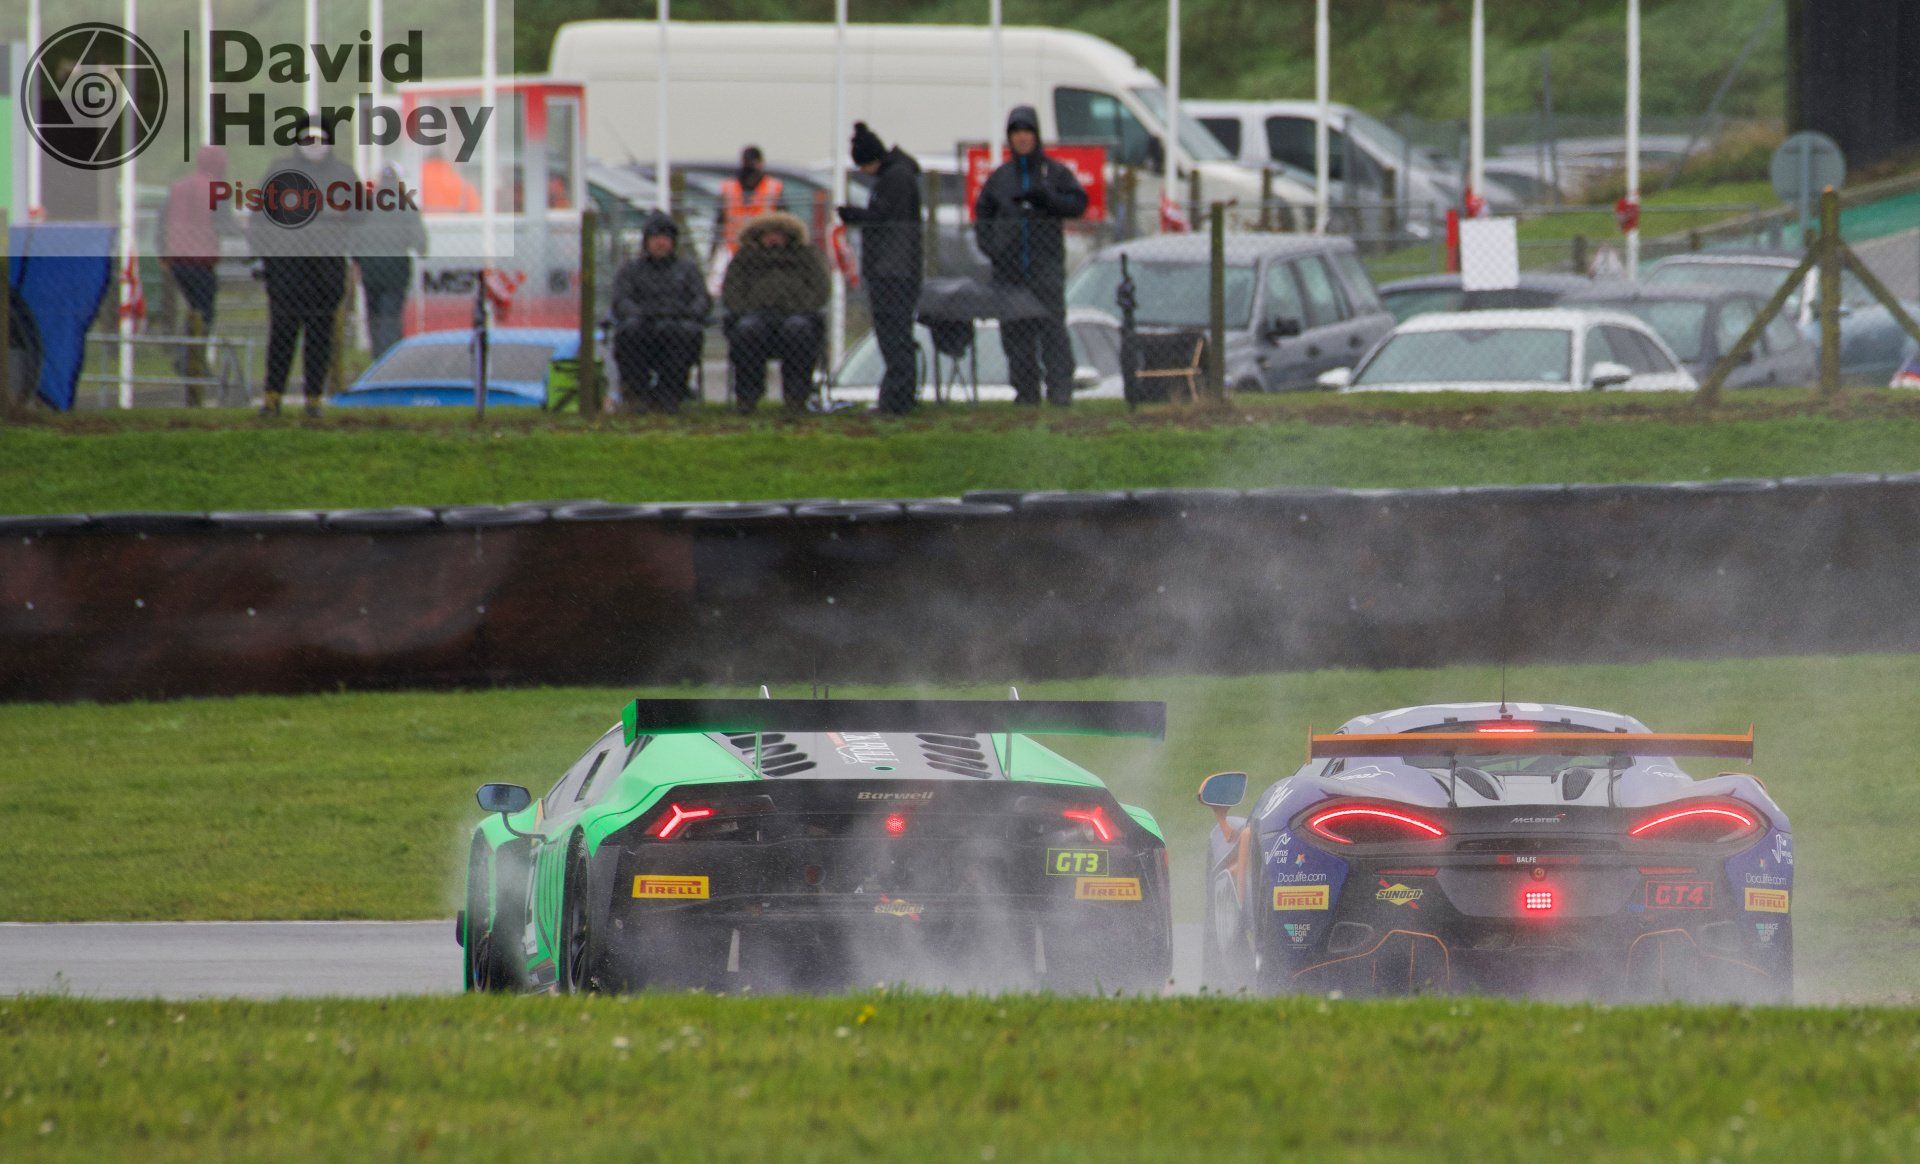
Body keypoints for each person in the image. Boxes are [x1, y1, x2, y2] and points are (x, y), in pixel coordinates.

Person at [973, 105, 1089, 406]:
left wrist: (1048, 199)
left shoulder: (1054, 172)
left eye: (1027, 132)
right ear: (1009, 138)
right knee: (1016, 337)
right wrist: (993, 248)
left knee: (1053, 333)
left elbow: (1078, 203)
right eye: (1016, 133)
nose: (1022, 138)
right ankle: (1026, 395)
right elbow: (982, 214)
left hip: (1045, 270)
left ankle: (1060, 393)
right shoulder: (1000, 178)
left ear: (1036, 135)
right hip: (1009, 273)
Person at [249, 114, 361, 417]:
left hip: (325, 270)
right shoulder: (281, 170)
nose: (315, 145)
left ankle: (314, 398)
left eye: (321, 139)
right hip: (287, 268)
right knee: (283, 332)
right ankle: (272, 396)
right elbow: (260, 215)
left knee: (320, 334)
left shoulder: (343, 173)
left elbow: (360, 213)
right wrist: (260, 255)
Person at [837, 122, 923, 415]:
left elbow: (885, 218)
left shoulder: (896, 178)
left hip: (894, 272)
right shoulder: (897, 175)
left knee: (894, 335)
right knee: (894, 334)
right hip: (893, 269)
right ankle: (899, 397)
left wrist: (856, 215)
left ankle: (897, 399)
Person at [721, 212, 830, 413]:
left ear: (788, 235)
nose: (773, 238)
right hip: (755, 316)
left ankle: (796, 397)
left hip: (796, 316)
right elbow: (731, 291)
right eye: (767, 234)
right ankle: (747, 396)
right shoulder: (745, 257)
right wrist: (748, 309)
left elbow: (820, 289)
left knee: (798, 330)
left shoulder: (806, 256)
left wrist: (800, 307)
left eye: (778, 233)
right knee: (747, 330)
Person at [158, 144, 237, 402]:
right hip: (201, 259)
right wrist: (247, 234)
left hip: (178, 259)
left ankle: (189, 356)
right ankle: (189, 358)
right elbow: (223, 223)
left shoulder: (179, 187)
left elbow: (162, 220)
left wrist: (164, 252)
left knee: (193, 308)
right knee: (205, 311)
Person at [610, 212, 710, 412]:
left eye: (665, 238)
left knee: (687, 331)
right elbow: (621, 301)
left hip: (677, 325)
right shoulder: (631, 270)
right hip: (643, 326)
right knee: (630, 330)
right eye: (655, 238)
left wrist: (684, 314)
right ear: (646, 241)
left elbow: (702, 300)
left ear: (673, 242)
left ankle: (671, 393)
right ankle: (637, 394)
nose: (660, 243)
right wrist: (640, 314)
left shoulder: (688, 269)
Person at [353, 162, 428, 360]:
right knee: (391, 317)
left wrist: (357, 262)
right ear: (398, 181)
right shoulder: (406, 206)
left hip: (370, 271)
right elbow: (420, 244)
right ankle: (392, 359)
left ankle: (377, 359)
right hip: (396, 269)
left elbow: (353, 240)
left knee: (374, 317)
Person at [711, 147, 785, 262]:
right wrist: (713, 254)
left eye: (753, 164)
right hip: (733, 251)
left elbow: (783, 221)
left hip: (765, 252)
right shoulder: (728, 188)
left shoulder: (773, 187)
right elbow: (719, 222)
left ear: (761, 164)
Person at [420, 147, 481, 213]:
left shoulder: (418, 180)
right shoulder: (459, 182)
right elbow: (474, 208)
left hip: (424, 221)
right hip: (453, 221)